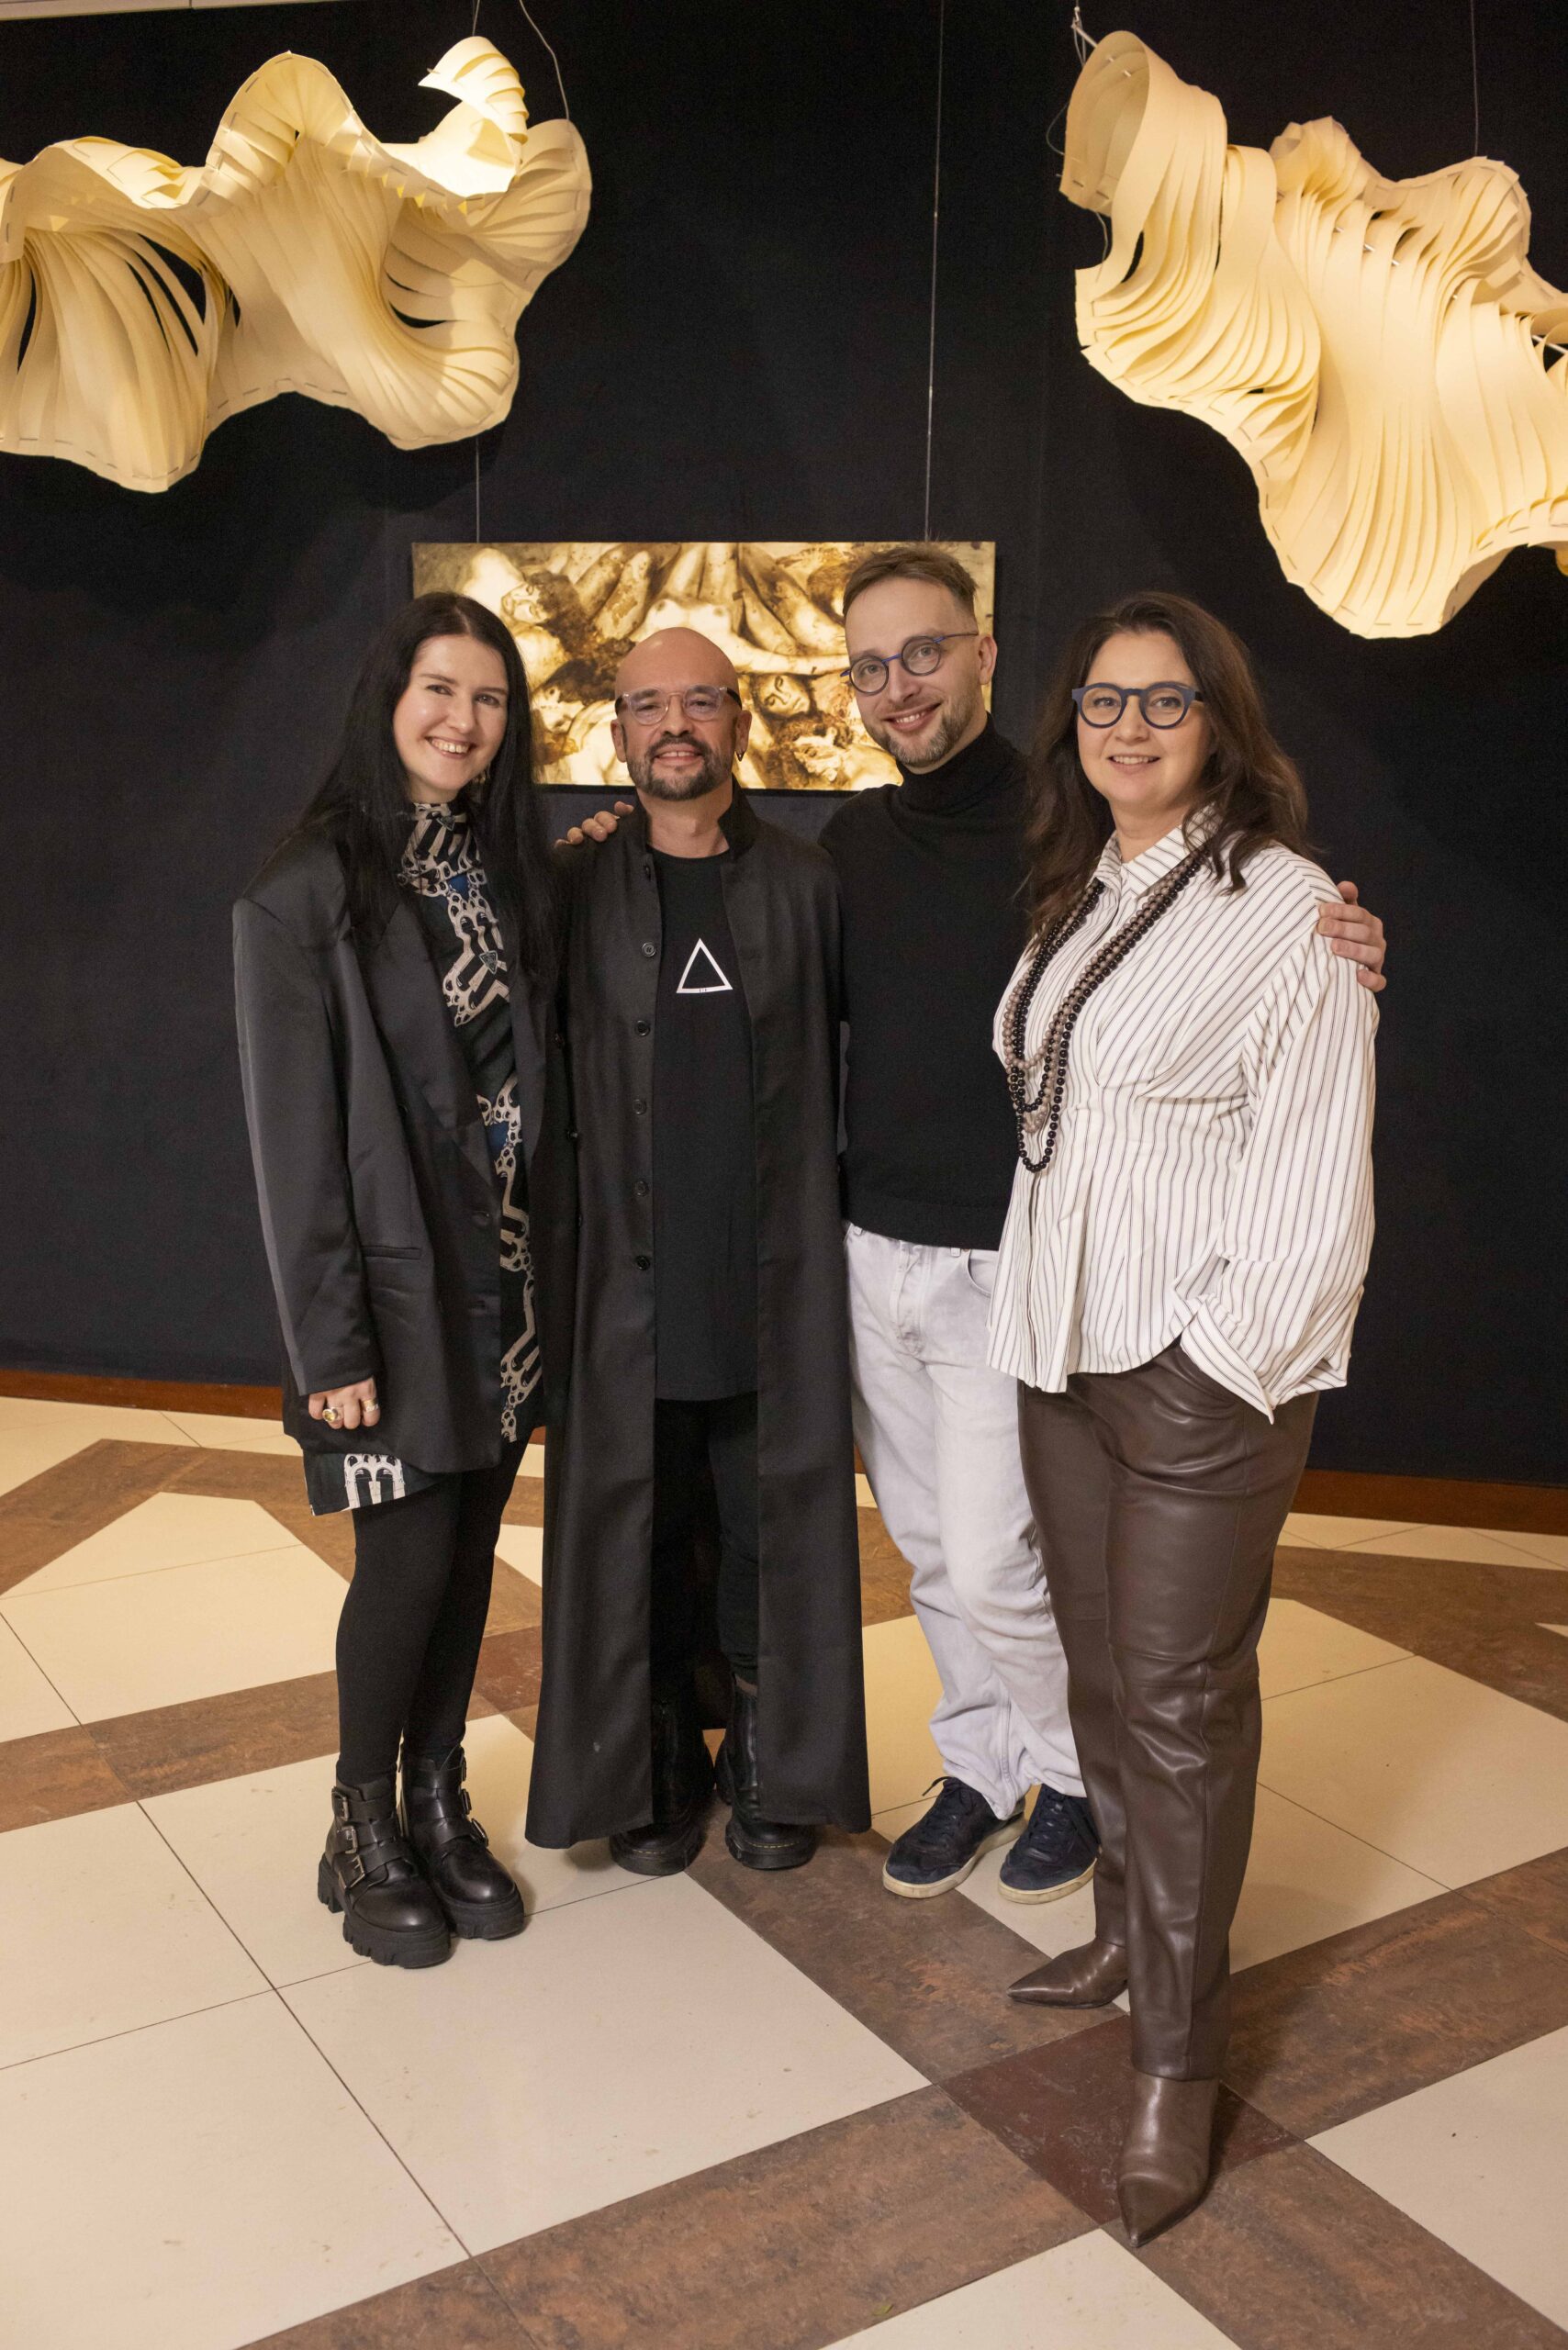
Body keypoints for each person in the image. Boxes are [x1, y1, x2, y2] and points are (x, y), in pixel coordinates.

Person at [826, 546, 1387, 1905]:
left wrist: (1348, 933)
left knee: (1001, 1564)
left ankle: (1076, 1776)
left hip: (1015, 1263)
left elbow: (1227, 930)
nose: (901, 685)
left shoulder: (1072, 813)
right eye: (871, 666)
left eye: (924, 652)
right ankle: (981, 1764)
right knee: (935, 1554)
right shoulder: (853, 843)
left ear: (984, 654)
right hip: (875, 1242)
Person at [992, 592, 1377, 2244]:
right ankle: (1119, 1931)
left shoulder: (1296, 912)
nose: (1130, 729)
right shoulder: (1084, 888)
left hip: (1199, 1371)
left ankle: (1176, 2061)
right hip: (1062, 1351)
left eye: (1165, 701)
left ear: (1221, 722)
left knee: (1178, 1707)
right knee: (1101, 1677)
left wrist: (1221, 1362)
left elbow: (1318, 1175)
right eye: (1103, 701)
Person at [234, 592, 572, 1969]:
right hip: (392, 1304)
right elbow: (293, 1150)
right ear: (390, 698)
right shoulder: (303, 892)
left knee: (471, 1551)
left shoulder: (504, 871)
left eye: (489, 698)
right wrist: (332, 1352)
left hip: (510, 1290)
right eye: (440, 688)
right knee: (405, 1561)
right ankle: (361, 1823)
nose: (462, 719)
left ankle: (436, 1797)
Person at [525, 626, 868, 1873]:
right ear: (617, 731)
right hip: (625, 1283)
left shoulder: (809, 884)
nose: (675, 725)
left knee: (772, 1526)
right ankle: (655, 1746)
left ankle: (771, 1751)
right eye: (648, 705)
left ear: (739, 721)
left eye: (701, 702)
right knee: (646, 1526)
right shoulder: (570, 889)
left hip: (772, 1277)